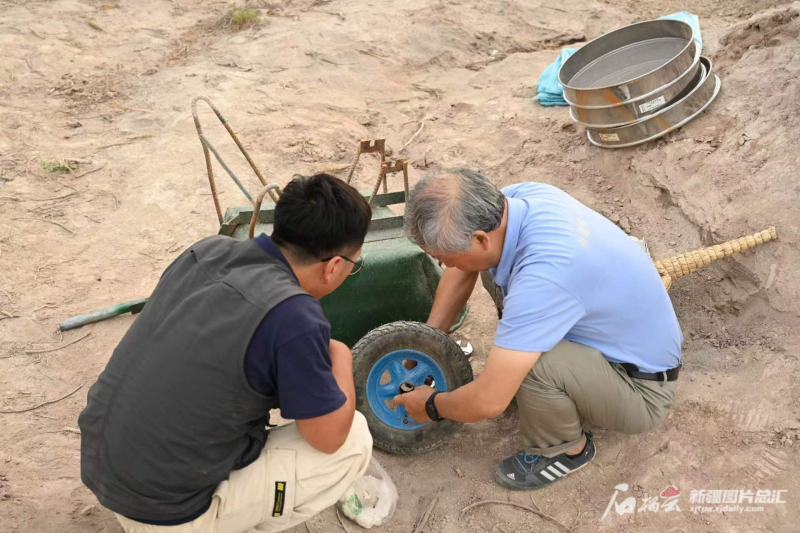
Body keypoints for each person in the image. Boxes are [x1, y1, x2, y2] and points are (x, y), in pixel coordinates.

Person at [79, 173, 374, 532]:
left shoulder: (206, 251)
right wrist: (341, 354)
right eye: (353, 264)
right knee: (353, 441)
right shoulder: (295, 315)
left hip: (105, 468)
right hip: (167, 513)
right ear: (333, 267)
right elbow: (329, 438)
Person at [395, 169, 682, 490]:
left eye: (446, 258)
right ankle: (544, 378)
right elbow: (464, 269)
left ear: (479, 239)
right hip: (616, 341)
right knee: (489, 270)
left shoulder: (541, 279)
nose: (446, 266)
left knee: (533, 364)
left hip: (640, 391)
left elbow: (489, 402)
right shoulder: (516, 201)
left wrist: (432, 405)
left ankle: (565, 448)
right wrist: (428, 341)